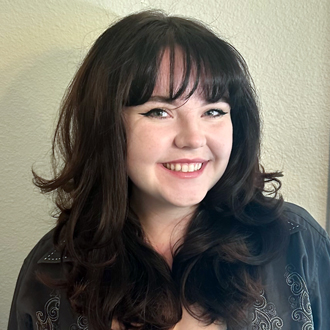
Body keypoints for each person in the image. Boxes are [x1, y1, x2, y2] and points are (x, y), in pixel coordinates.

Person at [8, 10, 330, 330]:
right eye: (159, 111)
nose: (192, 138)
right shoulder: (50, 273)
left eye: (214, 111)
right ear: (106, 126)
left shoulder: (296, 243)